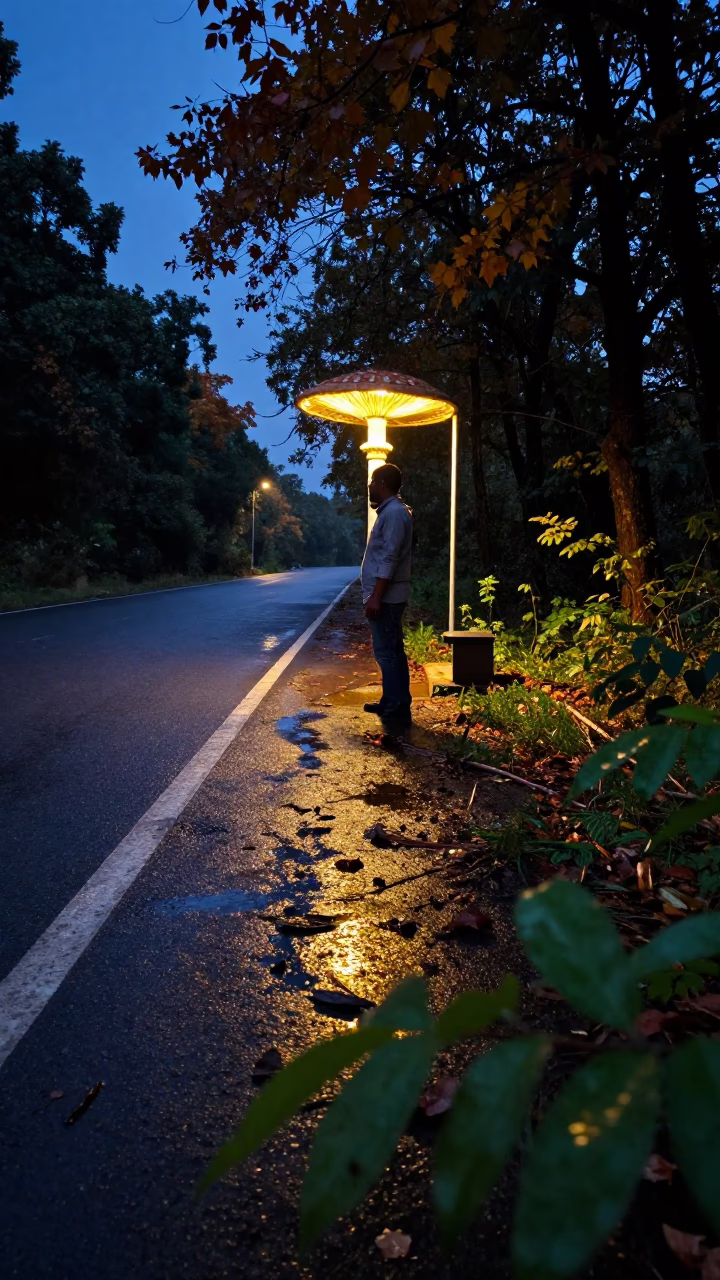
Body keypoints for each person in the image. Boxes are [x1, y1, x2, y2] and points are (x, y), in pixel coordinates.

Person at [361, 462, 413, 723]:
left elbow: (389, 558)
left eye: (372, 481)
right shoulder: (392, 512)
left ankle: (397, 706)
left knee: (387, 652)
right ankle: (392, 700)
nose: (369, 486)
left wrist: (376, 596)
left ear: (382, 484)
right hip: (389, 595)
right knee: (392, 650)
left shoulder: (393, 514)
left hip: (388, 597)